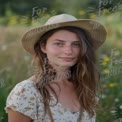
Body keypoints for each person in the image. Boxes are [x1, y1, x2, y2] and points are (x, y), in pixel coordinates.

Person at [5, 14, 107, 122]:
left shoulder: (84, 88)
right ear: (43, 46)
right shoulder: (27, 91)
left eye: (76, 44)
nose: (68, 51)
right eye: (59, 43)